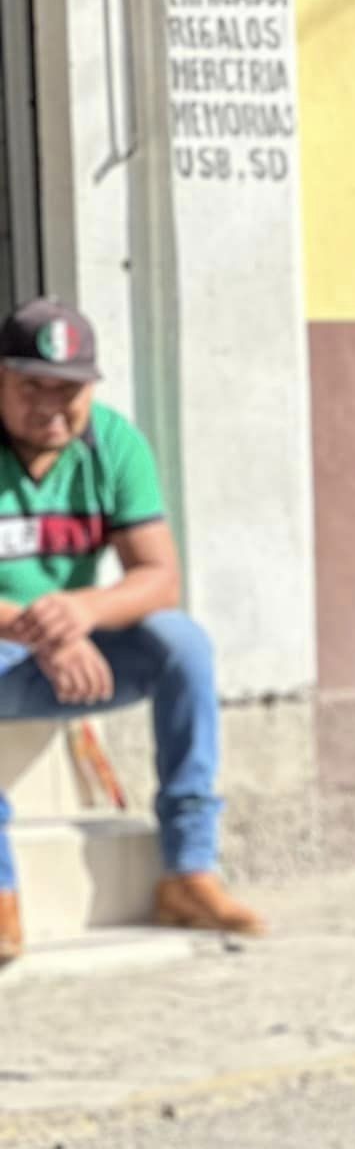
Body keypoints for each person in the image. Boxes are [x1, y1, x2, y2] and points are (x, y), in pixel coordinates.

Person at [0, 298, 264, 962]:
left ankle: (188, 871)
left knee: (182, 643)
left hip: (73, 657)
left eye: (69, 389)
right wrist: (44, 631)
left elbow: (157, 577)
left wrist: (83, 613)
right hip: (19, 651)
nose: (51, 406)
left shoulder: (112, 443)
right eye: (32, 386)